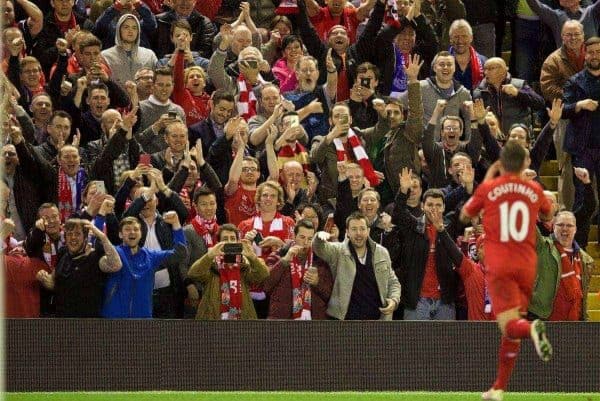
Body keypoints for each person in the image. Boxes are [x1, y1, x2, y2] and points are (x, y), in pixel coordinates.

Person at [460, 142, 554, 401]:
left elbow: (465, 215)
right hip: (527, 265)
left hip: (500, 263)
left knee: (511, 326)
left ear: (501, 163)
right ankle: (498, 388)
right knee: (513, 325)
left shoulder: (490, 188)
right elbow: (549, 214)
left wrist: (489, 178)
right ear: (525, 164)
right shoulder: (534, 188)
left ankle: (533, 328)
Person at [393, 168, 463, 320]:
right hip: (417, 300)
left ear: (444, 207)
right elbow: (398, 212)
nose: (434, 209)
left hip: (445, 301)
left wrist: (467, 185)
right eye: (430, 205)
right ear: (422, 206)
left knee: (446, 344)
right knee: (415, 344)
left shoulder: (450, 227)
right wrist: (403, 190)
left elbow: (459, 259)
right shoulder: (413, 227)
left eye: (438, 205)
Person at [312, 211, 401, 320]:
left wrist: (394, 300)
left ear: (368, 231)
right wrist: (319, 238)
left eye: (362, 229)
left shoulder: (381, 252)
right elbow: (319, 249)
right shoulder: (338, 251)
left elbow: (393, 281)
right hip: (345, 323)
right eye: (354, 229)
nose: (358, 233)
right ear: (347, 232)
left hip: (378, 322)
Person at [101, 213, 187, 318]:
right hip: (114, 320)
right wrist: (100, 217)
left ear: (141, 234)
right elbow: (98, 245)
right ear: (120, 234)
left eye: (136, 229)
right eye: (127, 229)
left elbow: (180, 254)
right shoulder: (114, 253)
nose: (132, 232)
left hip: (143, 321)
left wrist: (176, 225)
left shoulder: (151, 257)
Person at [36, 218, 122, 317]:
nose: (73, 237)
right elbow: (55, 284)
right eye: (69, 234)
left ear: (85, 237)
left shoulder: (94, 256)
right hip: (62, 321)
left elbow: (116, 265)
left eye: (77, 234)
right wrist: (44, 277)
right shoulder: (63, 254)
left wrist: (102, 237)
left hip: (88, 324)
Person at [187, 224, 269, 319]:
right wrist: (209, 256)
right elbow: (193, 273)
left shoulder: (245, 264)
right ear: (218, 243)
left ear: (238, 242)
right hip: (214, 318)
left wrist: (252, 257)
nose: (229, 242)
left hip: (241, 319)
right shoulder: (210, 264)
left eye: (233, 239)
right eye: (225, 239)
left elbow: (263, 275)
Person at [529, 210, 594, 321]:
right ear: (553, 227)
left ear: (575, 229)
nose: (565, 229)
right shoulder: (543, 247)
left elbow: (583, 298)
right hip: (545, 321)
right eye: (560, 225)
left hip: (574, 325)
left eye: (569, 225)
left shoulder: (586, 260)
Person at [263, 219, 333, 319]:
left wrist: (317, 282)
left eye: (310, 239)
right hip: (282, 321)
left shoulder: (320, 261)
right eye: (302, 237)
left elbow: (329, 295)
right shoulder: (278, 256)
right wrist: (284, 261)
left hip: (313, 323)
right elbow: (266, 286)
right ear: (293, 236)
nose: (305, 242)